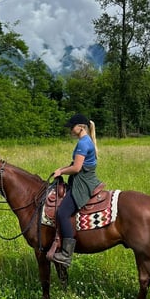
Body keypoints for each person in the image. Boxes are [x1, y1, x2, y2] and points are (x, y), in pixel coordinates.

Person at [51, 113, 102, 268]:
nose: (70, 130)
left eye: (72, 127)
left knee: (62, 213)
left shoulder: (83, 144)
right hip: (84, 180)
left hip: (82, 183)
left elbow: (77, 168)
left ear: (81, 127)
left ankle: (66, 254)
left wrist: (61, 171)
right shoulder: (86, 141)